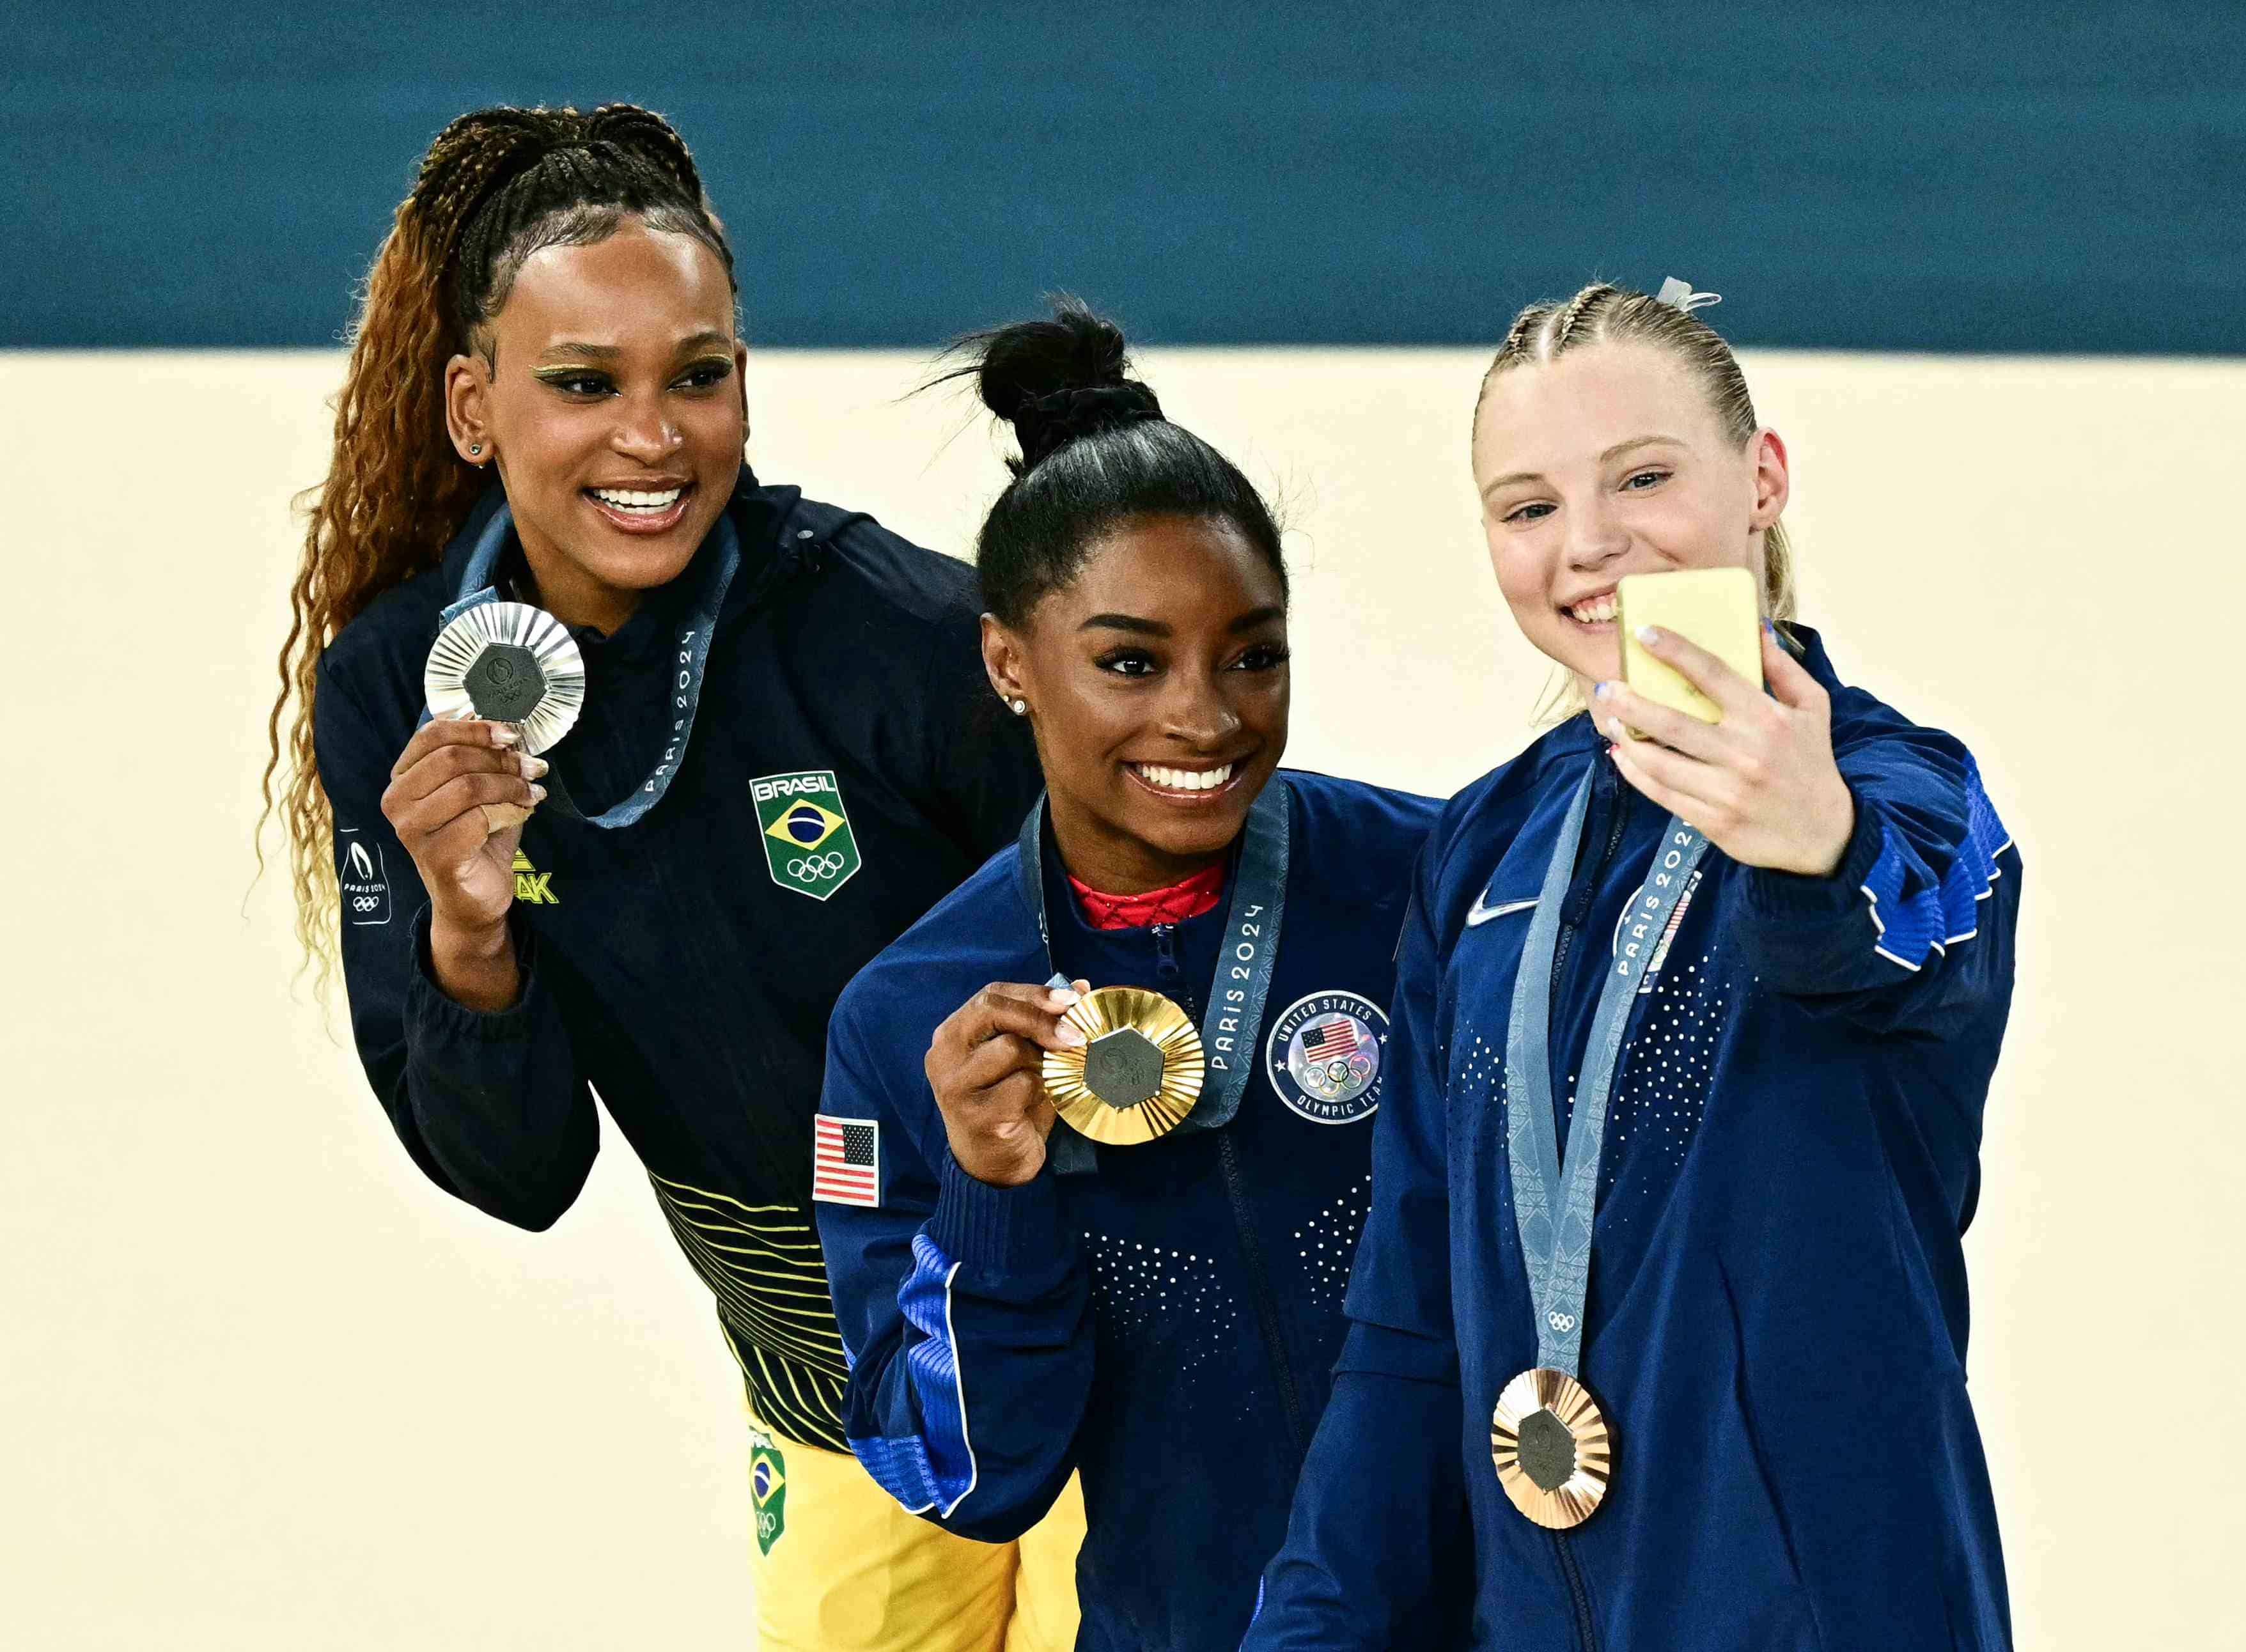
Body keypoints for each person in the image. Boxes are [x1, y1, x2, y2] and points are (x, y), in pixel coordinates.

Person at [265, 104, 1081, 1651]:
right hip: (829, 1394)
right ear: (471, 405)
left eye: (696, 376)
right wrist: (470, 936)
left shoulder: (903, 640)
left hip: (1078, 1339)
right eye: (584, 384)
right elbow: (519, 1174)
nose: (653, 436)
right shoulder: (397, 694)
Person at [1244, 279, 2024, 1649]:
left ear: (1761, 478)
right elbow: (1410, 1314)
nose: (1589, 545)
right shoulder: (1487, 844)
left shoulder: (1907, 794)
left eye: (1643, 478)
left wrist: (1815, 846)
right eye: (1528, 506)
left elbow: (1899, 938)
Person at [811, 303, 1456, 1652]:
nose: (1207, 717)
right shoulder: (913, 1019)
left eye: (1252, 655)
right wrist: (992, 1199)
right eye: (1129, 662)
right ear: (1008, 664)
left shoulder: (1431, 883)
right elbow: (964, 1476)